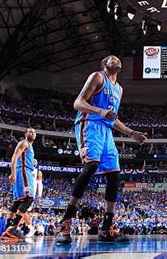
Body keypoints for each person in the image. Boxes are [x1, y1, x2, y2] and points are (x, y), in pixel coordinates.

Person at [56, 55, 147, 243]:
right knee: (91, 166)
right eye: (112, 58)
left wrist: (131, 133)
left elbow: (112, 118)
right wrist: (99, 111)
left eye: (118, 59)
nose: (117, 59)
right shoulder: (97, 77)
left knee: (114, 175)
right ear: (105, 65)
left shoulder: (119, 89)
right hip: (89, 124)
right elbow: (78, 103)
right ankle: (65, 221)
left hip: (106, 131)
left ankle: (106, 226)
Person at [1, 128, 37, 240]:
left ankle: (7, 229)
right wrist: (12, 173)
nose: (33, 133)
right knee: (29, 198)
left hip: (24, 172)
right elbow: (14, 157)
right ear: (26, 134)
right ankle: (13, 228)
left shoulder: (29, 146)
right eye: (30, 132)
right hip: (23, 171)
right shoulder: (24, 143)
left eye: (34, 132)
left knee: (18, 201)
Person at [23, 159, 43, 237]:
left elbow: (40, 185)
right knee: (21, 211)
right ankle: (28, 227)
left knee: (22, 210)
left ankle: (30, 227)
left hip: (31, 194)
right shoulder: (25, 170)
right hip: (22, 192)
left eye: (34, 163)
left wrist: (39, 196)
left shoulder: (38, 172)